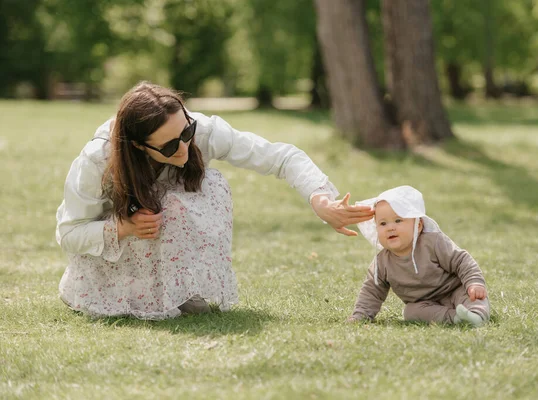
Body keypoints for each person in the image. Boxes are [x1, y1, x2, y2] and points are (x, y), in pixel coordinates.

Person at [56, 81, 373, 320]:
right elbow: (68, 233)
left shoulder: (202, 132)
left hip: (163, 249)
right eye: (168, 147)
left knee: (210, 184)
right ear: (138, 146)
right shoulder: (97, 162)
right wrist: (122, 227)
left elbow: (283, 157)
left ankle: (184, 290)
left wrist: (321, 200)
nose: (183, 148)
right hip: (115, 260)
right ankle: (136, 295)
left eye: (186, 131)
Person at [348, 186, 490, 327]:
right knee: (411, 312)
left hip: (453, 290)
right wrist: (360, 315)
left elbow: (461, 260)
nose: (390, 227)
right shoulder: (382, 262)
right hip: (425, 304)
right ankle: (456, 318)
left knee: (472, 296)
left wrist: (474, 282)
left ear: (418, 225)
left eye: (398, 221)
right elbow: (371, 292)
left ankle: (477, 315)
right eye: (383, 223)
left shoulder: (433, 242)